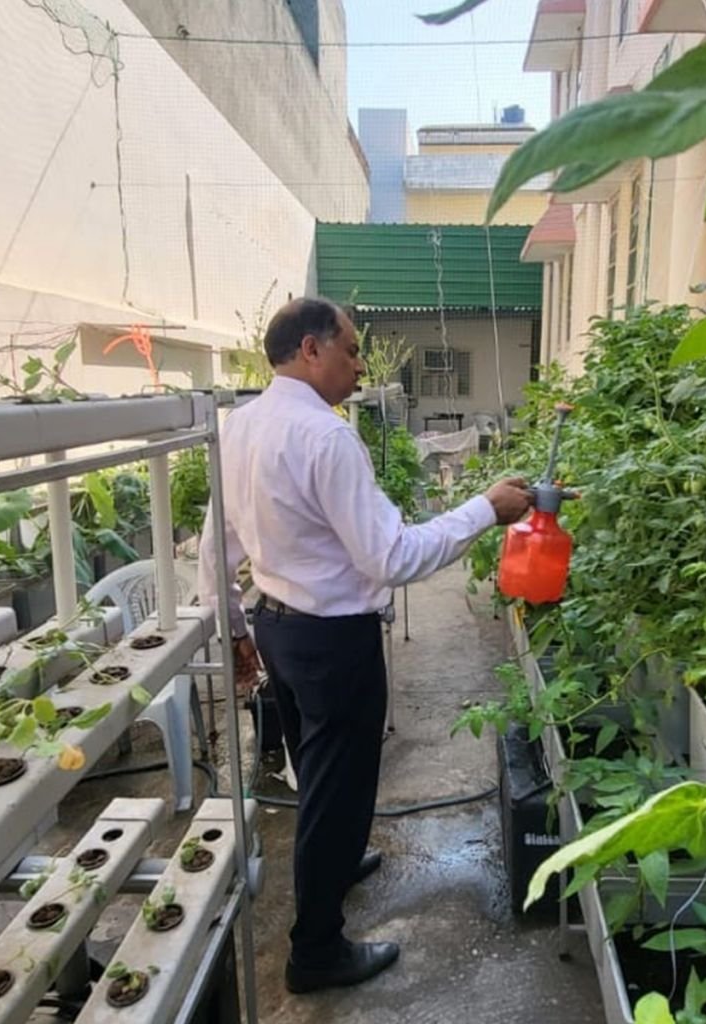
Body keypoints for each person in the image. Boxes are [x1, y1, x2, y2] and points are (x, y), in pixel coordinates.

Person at [197, 297, 532, 994]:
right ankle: (316, 951)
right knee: (335, 787)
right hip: (331, 640)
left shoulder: (244, 427)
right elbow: (390, 557)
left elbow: (214, 544)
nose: (359, 365)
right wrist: (484, 510)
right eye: (350, 351)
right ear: (310, 349)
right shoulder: (326, 437)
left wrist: (232, 628)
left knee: (317, 773)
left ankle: (339, 861)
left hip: (278, 627)